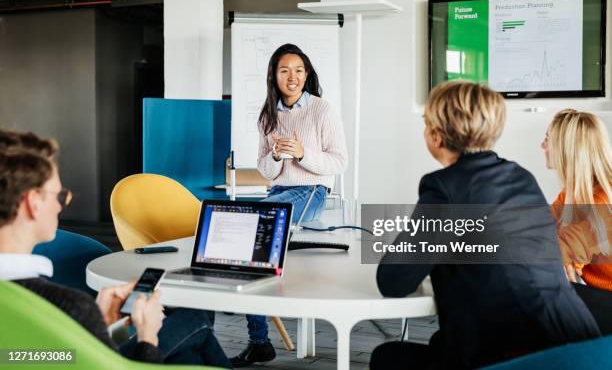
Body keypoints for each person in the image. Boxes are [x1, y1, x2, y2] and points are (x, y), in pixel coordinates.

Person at [372, 82, 600, 370]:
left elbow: (392, 281)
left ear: (436, 135)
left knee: (386, 358)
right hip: (579, 345)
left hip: (516, 357)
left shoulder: (445, 188)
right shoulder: (522, 177)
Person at [0, 129, 231, 367]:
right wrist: (147, 337)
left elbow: (33, 357)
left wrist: (101, 324)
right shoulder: (67, 304)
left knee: (189, 340)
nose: (61, 207)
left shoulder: (24, 302)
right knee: (193, 321)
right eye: (58, 196)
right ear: (32, 203)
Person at [230, 43, 348, 367]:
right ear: (274, 76)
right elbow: (265, 171)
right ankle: (259, 342)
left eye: (298, 70)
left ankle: (260, 337)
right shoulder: (268, 115)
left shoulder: (323, 109)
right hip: (279, 190)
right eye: (285, 71)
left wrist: (300, 153)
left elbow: (340, 162)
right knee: (250, 246)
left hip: (312, 191)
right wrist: (276, 155)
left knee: (256, 225)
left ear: (306, 74)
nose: (292, 77)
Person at [542, 109, 612, 333]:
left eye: (547, 140)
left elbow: (564, 251)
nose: (542, 147)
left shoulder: (604, 204)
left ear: (566, 149)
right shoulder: (572, 193)